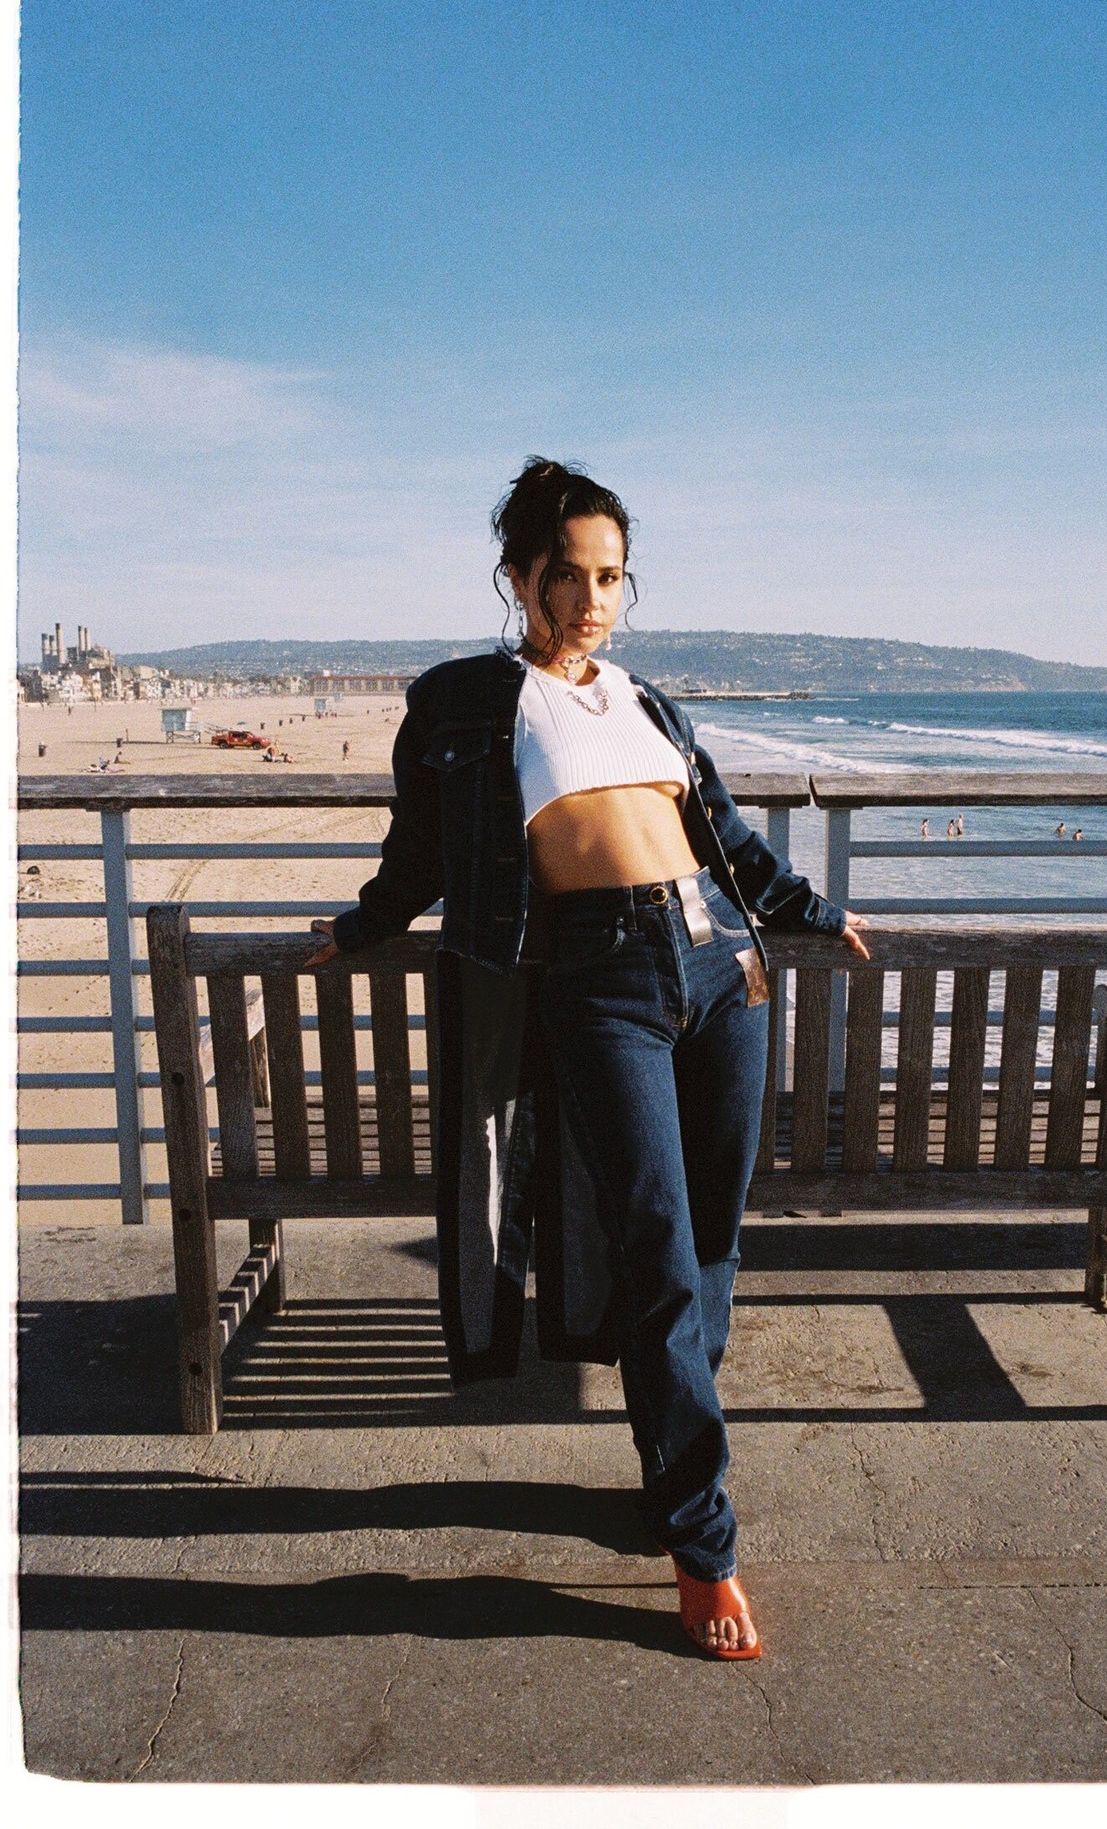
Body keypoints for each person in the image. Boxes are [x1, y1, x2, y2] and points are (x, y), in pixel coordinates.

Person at [308, 458, 868, 1661]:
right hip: (596, 978)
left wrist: (809, 910)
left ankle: (669, 1474)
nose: (590, 599)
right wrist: (362, 923)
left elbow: (721, 836)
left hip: (719, 964)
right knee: (656, 1249)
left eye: (610, 576)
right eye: (565, 575)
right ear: (517, 577)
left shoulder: (645, 700)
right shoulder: (462, 700)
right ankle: (702, 1546)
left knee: (710, 1240)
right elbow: (421, 849)